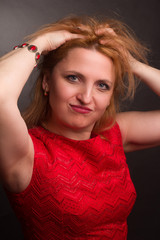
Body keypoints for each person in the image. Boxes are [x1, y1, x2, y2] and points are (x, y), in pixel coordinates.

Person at [0, 15, 159, 240]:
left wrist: (131, 64)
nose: (86, 97)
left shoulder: (113, 134)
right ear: (47, 82)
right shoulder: (25, 153)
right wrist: (41, 43)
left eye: (102, 85)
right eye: (73, 78)